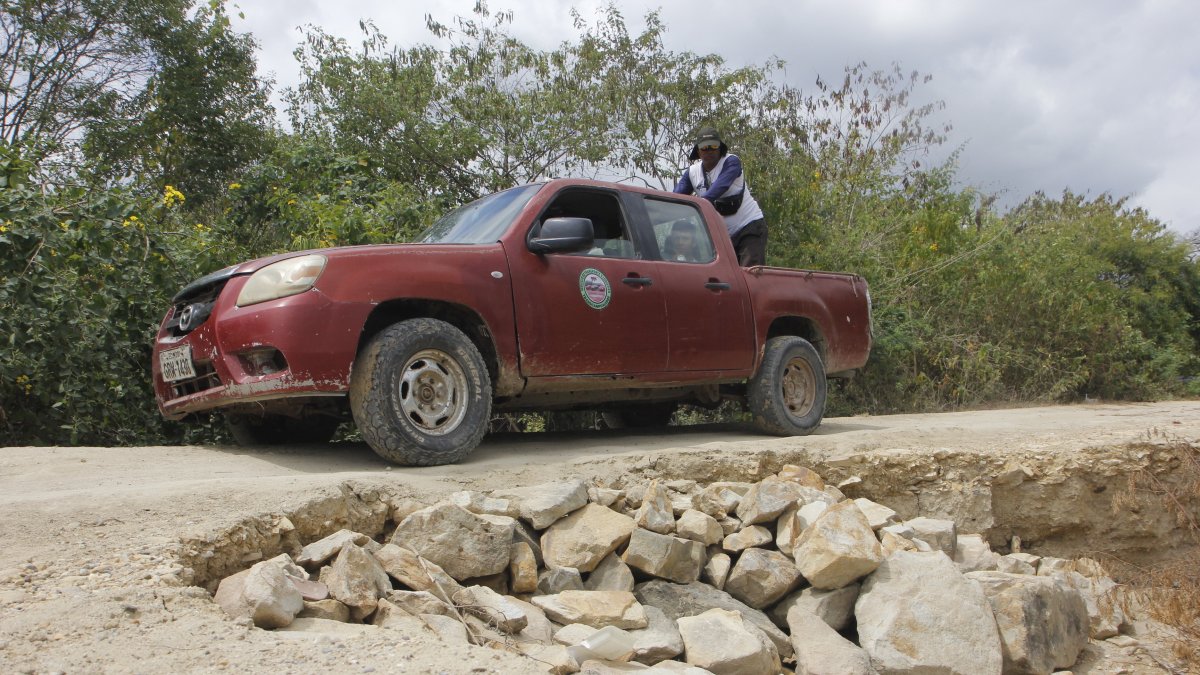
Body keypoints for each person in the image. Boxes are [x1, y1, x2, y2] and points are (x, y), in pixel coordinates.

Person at [673, 127, 767, 266]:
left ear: (720, 148)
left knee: (749, 274)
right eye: (704, 147)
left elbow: (720, 187)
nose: (709, 150)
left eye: (713, 146)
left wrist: (700, 202)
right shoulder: (692, 173)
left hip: (749, 227)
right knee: (727, 279)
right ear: (698, 151)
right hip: (724, 237)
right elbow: (675, 198)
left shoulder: (731, 162)